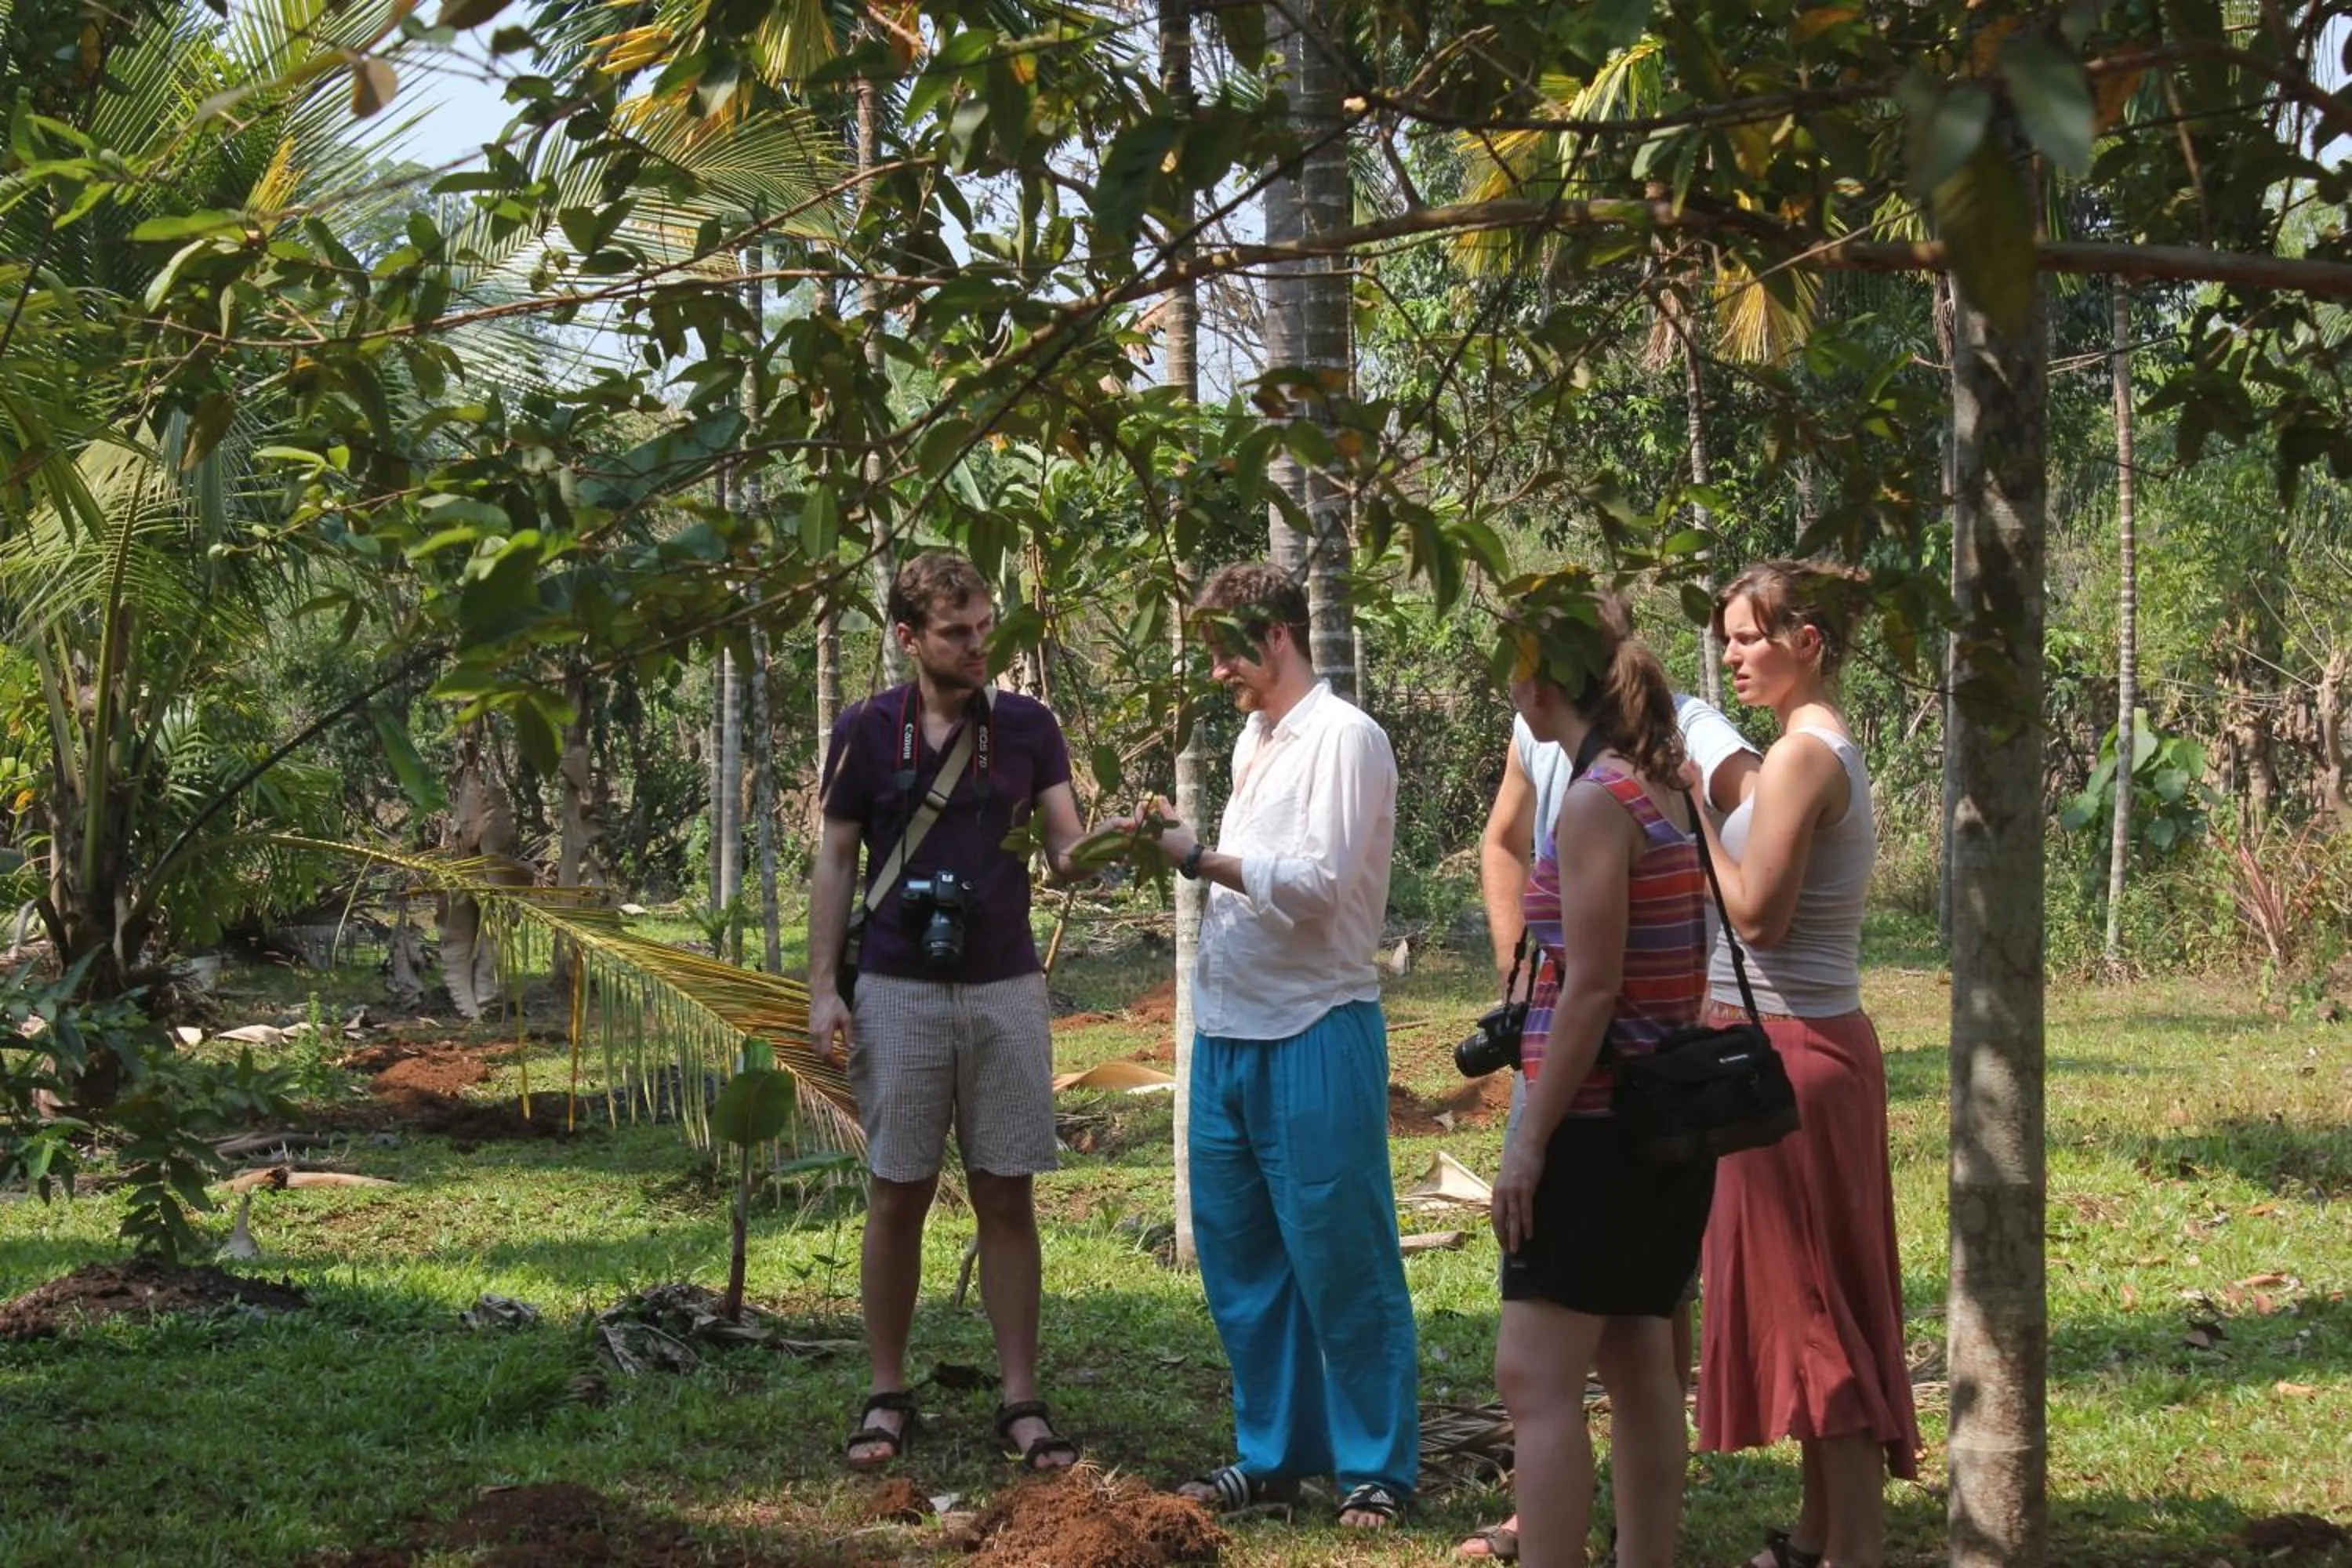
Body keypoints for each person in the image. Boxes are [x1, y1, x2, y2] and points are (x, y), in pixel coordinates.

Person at [1121, 563, 1418, 1530]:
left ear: (1277, 634)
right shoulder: (1257, 737)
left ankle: (1375, 1464)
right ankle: (1276, 1451)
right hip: (1230, 1032)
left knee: (1344, 1252)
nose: (1218, 673)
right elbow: (1259, 874)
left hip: (1314, 1023)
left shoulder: (1346, 738)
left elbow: (1324, 886)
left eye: (1226, 650)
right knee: (1244, 1258)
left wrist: (1198, 857)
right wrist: (1182, 838)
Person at [1461, 673, 1759, 1565]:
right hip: (1661, 1119)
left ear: (1543, 683)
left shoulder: (1599, 800)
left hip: (1594, 1122)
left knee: (1535, 1378)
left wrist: (1527, 1139)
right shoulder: (1661, 778)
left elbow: (1590, 989)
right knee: (1637, 1360)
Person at [808, 550, 1091, 1475]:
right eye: (957, 632)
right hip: (895, 985)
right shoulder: (864, 730)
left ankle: (1022, 1398)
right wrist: (823, 987)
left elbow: (1066, 848)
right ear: (908, 637)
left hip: (1006, 983)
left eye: (986, 628)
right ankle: (886, 1392)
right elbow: (838, 862)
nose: (979, 646)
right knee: (899, 1191)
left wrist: (1112, 843)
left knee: (1007, 1189)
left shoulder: (1029, 727)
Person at [1693, 561, 1920, 1568]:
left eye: (1748, 637)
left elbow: (1757, 914)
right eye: (1730, 637)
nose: (1733, 653)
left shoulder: (1799, 759)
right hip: (1808, 1045)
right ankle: (1822, 1532)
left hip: (1784, 1052)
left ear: (1807, 642)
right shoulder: (1810, 747)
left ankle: (1855, 1549)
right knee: (1818, 1292)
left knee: (1810, 1305)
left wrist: (1689, 803)